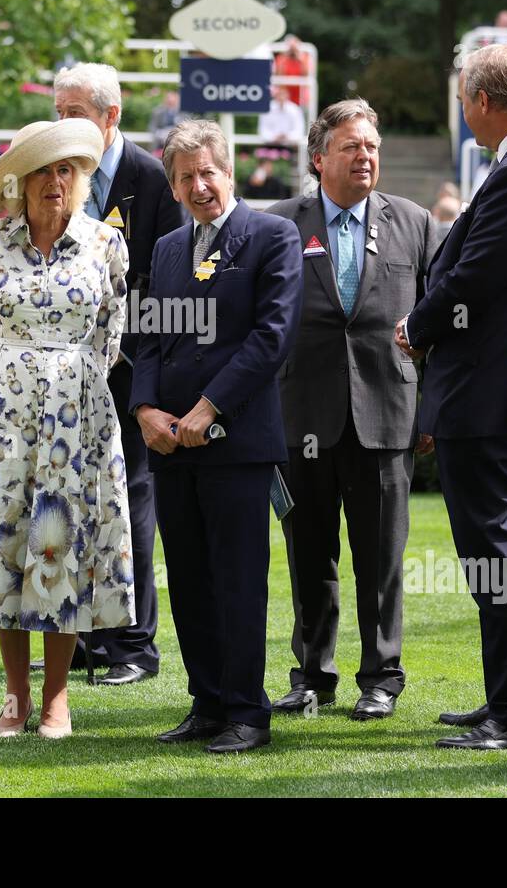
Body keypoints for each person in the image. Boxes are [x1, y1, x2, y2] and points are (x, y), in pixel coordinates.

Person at [397, 43, 507, 750]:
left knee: (493, 551)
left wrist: (417, 324)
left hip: (484, 387)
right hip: (495, 384)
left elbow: (469, 277)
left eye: (463, 100)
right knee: (494, 550)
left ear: (480, 100)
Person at [0, 118, 134, 739]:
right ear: (21, 182)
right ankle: (15, 696)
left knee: (62, 544)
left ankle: (57, 697)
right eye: (45, 170)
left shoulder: (105, 243)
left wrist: (62, 381)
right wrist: (10, 379)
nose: (57, 181)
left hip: (76, 420)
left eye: (67, 170)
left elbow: (111, 334)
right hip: (0, 418)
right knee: (6, 540)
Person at [131, 120, 302, 754]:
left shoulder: (273, 236)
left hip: (236, 440)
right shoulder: (169, 248)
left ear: (228, 172)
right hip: (172, 444)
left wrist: (208, 408)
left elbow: (271, 337)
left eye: (208, 172)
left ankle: (247, 713)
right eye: (185, 177)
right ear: (172, 185)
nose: (198, 185)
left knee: (237, 578)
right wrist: (147, 410)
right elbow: (148, 336)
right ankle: (206, 704)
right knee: (191, 577)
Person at [266, 99, 439, 721]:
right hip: (301, 416)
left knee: (380, 558)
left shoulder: (415, 223)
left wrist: (432, 409)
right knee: (309, 557)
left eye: (371, 146)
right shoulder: (281, 223)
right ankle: (312, 676)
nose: (365, 156)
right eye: (351, 147)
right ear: (319, 159)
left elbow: (441, 319)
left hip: (387, 415)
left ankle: (382, 677)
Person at [52, 62, 182, 685]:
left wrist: (123, 345)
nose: (63, 125)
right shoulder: (56, 179)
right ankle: (83, 635)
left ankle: (134, 645)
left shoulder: (150, 179)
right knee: (75, 500)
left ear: (111, 117)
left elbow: (170, 278)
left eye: (74, 112)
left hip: (134, 372)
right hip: (67, 376)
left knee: (132, 501)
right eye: (58, 112)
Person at [274, 35, 310, 108]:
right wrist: (285, 56)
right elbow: (278, 75)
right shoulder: (281, 58)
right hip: (285, 95)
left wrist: (299, 58)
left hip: (300, 96)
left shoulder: (305, 58)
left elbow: (306, 74)